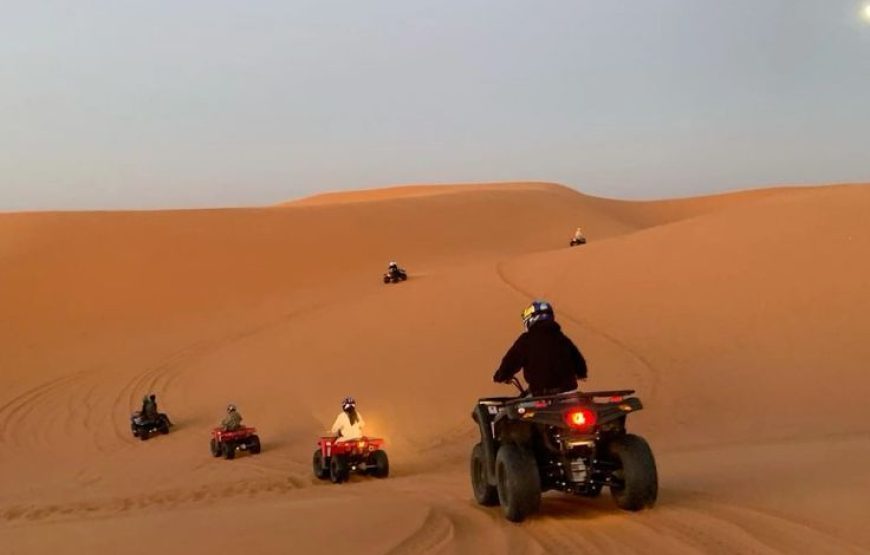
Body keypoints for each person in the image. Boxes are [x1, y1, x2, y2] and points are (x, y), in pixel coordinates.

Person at [492, 300, 588, 396]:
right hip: (568, 393)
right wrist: (581, 373)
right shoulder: (561, 338)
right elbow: (578, 360)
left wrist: (501, 375)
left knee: (519, 406)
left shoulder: (527, 340)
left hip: (540, 395)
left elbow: (511, 361)